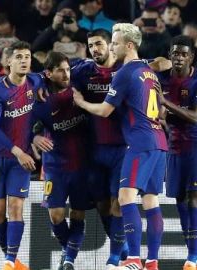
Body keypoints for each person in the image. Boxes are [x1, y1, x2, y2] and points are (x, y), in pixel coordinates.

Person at [73, 23, 167, 270]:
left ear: (129, 45)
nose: (112, 48)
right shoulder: (149, 72)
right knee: (151, 200)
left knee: (125, 197)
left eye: (114, 43)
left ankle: (134, 259)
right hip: (159, 142)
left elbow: (104, 110)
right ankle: (153, 262)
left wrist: (81, 102)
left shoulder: (125, 73)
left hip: (139, 142)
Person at [69, 29, 128, 269]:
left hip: (122, 148)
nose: (95, 49)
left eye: (100, 44)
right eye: (91, 45)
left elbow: (155, 65)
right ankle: (120, 245)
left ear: (111, 45)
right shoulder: (83, 71)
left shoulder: (126, 69)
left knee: (118, 202)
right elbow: (56, 75)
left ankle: (114, 258)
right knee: (103, 204)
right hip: (93, 150)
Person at [0, 41, 44, 270]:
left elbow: (55, 72)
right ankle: (11, 259)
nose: (24, 61)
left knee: (16, 207)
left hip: (21, 161)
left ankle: (9, 260)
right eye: (18, 57)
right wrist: (18, 150)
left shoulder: (35, 81)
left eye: (27, 56)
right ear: (8, 62)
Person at [32, 51, 93, 270]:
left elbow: (91, 62)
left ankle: (68, 260)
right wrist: (34, 137)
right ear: (49, 73)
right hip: (55, 166)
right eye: (60, 71)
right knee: (56, 215)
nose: (66, 74)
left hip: (82, 164)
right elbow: (22, 125)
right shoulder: (40, 99)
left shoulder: (77, 84)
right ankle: (68, 250)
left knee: (78, 212)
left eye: (67, 69)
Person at [157, 35, 197, 270]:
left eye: (183, 54)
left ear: (191, 57)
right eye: (175, 53)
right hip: (174, 143)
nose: (179, 57)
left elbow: (194, 116)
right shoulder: (161, 79)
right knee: (179, 199)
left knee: (195, 196)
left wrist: (164, 103)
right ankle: (194, 256)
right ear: (169, 55)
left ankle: (195, 255)